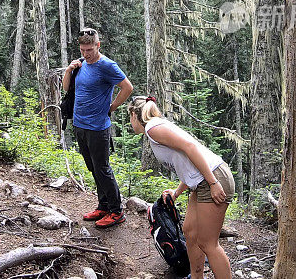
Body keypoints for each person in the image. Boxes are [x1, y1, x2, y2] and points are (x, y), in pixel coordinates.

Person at [128, 96, 235, 279]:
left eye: (128, 118)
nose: (130, 123)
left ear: (133, 114)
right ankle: (196, 276)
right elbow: (187, 162)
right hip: (203, 181)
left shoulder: (153, 128)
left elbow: (191, 148)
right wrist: (177, 192)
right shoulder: (156, 126)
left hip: (213, 178)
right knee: (190, 233)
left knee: (208, 243)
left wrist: (213, 183)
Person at [62, 27, 133, 228]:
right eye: (83, 50)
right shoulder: (81, 65)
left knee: (102, 168)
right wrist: (69, 70)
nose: (86, 54)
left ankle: (117, 211)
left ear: (98, 46)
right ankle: (103, 205)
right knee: (92, 168)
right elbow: (66, 88)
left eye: (89, 50)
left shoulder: (107, 66)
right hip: (80, 124)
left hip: (98, 127)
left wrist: (112, 106)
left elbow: (127, 87)